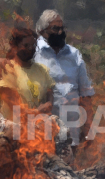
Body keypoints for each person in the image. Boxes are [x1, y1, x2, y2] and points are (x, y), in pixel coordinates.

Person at [34, 10, 95, 148]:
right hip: (43, 127)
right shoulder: (34, 53)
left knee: (71, 166)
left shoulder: (74, 54)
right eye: (55, 28)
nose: (60, 32)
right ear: (42, 31)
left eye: (62, 28)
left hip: (72, 126)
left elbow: (85, 92)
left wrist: (89, 126)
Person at [0, 27, 55, 120]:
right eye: (26, 45)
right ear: (15, 47)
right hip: (13, 127)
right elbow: (14, 108)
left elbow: (50, 93)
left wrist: (49, 104)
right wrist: (37, 111)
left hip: (37, 126)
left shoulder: (42, 70)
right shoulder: (6, 69)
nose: (30, 48)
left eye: (33, 45)